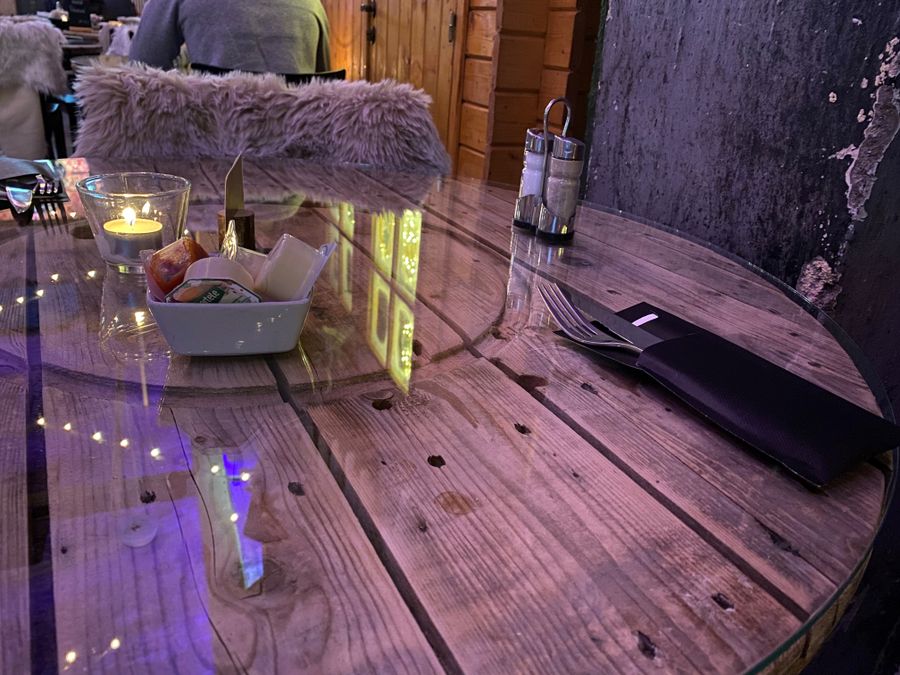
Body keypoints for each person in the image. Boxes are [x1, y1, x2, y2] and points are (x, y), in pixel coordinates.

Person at [129, 0, 330, 75]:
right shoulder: (313, 4)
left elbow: (139, 69)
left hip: (212, 143)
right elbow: (326, 86)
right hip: (298, 147)